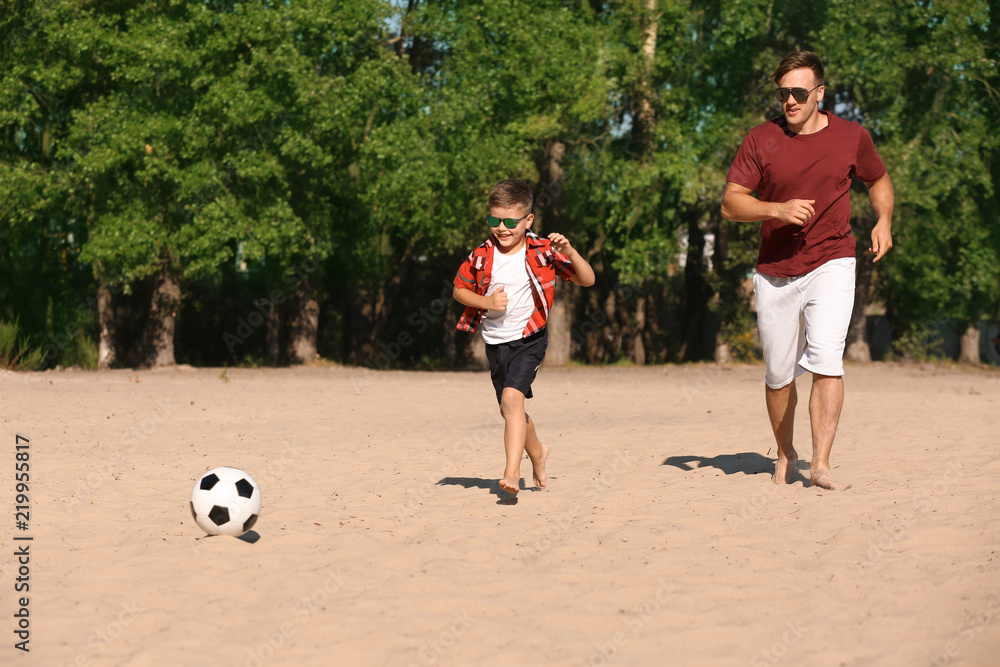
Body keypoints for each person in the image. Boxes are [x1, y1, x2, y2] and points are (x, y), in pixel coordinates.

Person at [720, 51, 895, 490]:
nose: (791, 100)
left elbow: (878, 180)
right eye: (784, 93)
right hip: (775, 269)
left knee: (826, 358)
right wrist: (776, 208)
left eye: (799, 92)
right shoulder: (761, 139)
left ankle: (821, 464)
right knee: (779, 374)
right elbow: (730, 202)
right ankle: (785, 452)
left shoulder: (852, 137)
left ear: (819, 93)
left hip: (833, 259)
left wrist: (884, 220)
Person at [453, 178, 595, 495]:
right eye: (494, 220)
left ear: (528, 220)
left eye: (510, 221)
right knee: (511, 409)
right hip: (495, 343)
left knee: (511, 400)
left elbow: (587, 279)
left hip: (530, 339)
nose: (502, 228)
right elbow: (459, 290)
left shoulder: (544, 251)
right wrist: (485, 303)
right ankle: (539, 452)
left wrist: (569, 250)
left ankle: (511, 472)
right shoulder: (480, 256)